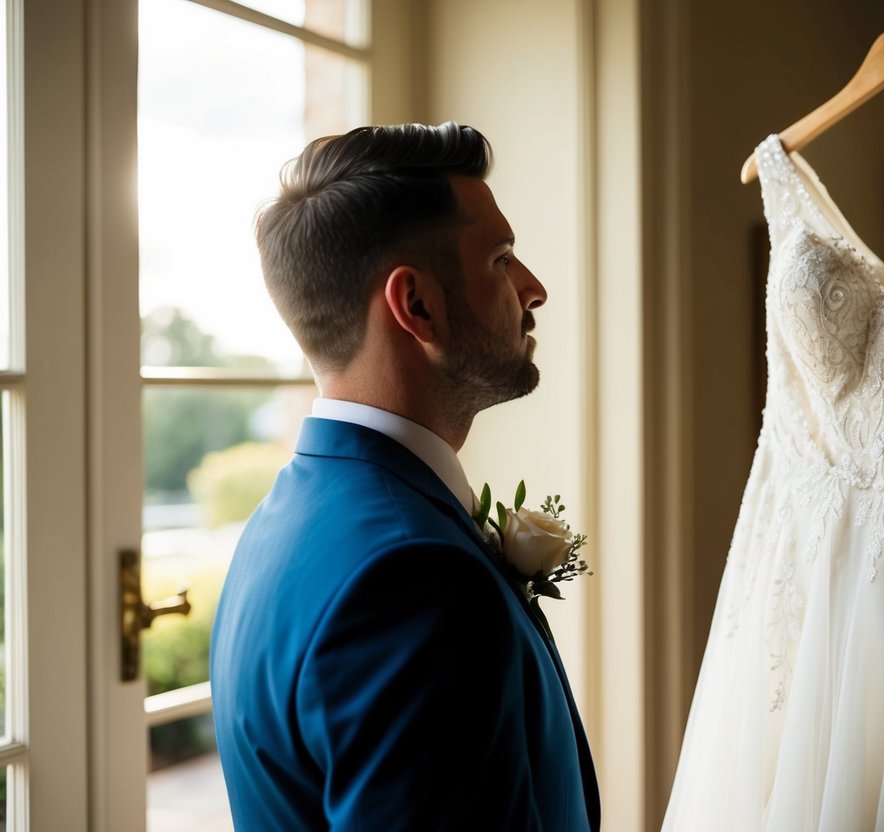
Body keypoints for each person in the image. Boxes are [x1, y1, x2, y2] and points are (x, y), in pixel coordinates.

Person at [210, 122, 600, 831]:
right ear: (415, 304)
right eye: (501, 259)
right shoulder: (414, 579)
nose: (534, 289)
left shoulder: (282, 520)